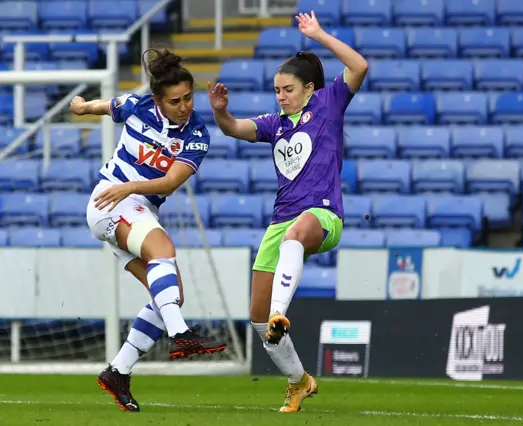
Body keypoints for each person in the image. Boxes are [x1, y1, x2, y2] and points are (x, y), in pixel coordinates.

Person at [209, 11, 368, 413]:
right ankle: (299, 381)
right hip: (281, 221)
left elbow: (359, 65)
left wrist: (318, 35)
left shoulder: (329, 105)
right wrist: (220, 112)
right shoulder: (274, 124)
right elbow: (234, 129)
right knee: (257, 318)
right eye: (276, 90)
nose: (280, 95)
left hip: (323, 216)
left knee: (297, 237)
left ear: (309, 88)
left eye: (287, 89)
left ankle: (283, 312)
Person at [71, 48, 226, 413]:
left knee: (171, 295)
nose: (184, 106)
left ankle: (118, 371)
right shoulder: (138, 106)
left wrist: (131, 187)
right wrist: (80, 106)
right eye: (175, 101)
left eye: (188, 98)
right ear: (158, 100)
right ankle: (181, 335)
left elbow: (171, 182)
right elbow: (106, 106)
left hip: (132, 204)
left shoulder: (197, 134)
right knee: (163, 249)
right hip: (109, 203)